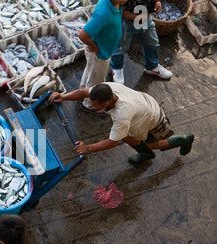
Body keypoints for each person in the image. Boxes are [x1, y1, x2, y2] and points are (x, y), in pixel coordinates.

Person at [49, 83, 194, 164]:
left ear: (106, 103)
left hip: (153, 119)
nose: (92, 106)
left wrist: (87, 148)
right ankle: (146, 154)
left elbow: (112, 142)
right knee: (125, 136)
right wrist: (62, 96)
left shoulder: (122, 115)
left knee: (151, 144)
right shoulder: (107, 89)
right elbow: (82, 92)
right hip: (143, 105)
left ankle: (183, 140)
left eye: (95, 105)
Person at [78, 0, 127, 115]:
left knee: (90, 73)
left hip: (103, 51)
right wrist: (94, 46)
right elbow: (83, 35)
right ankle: (89, 105)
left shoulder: (117, 4)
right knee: (96, 81)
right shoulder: (103, 13)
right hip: (99, 55)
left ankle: (83, 92)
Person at [110, 0, 172, 84]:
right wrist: (137, 17)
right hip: (127, 24)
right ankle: (116, 67)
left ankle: (152, 66)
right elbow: (120, 12)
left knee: (153, 43)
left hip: (146, 21)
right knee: (120, 47)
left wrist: (157, 2)